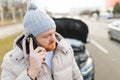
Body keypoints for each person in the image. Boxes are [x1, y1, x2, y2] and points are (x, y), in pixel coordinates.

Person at [0, 2, 83, 80]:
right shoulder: (11, 61)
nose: (53, 39)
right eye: (47, 36)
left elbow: (77, 77)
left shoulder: (65, 49)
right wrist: (31, 72)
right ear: (31, 39)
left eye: (53, 33)